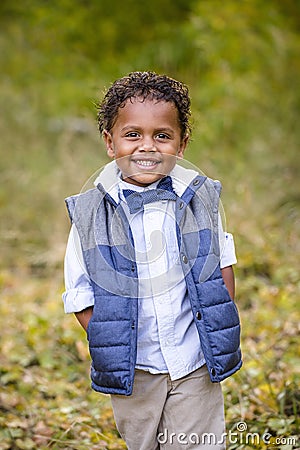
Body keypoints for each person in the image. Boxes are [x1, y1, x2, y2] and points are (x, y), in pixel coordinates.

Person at [62, 71, 242, 449]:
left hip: (193, 360)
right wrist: (113, 341)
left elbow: (221, 267)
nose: (147, 147)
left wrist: (210, 331)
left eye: (162, 136)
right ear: (110, 143)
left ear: (182, 143)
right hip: (135, 368)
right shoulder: (91, 214)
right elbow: (79, 292)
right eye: (133, 135)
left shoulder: (201, 200)